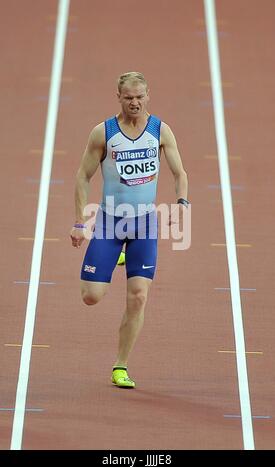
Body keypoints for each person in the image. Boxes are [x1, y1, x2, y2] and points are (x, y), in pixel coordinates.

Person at [70, 72, 189, 388]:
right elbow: (83, 176)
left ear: (148, 94)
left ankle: (120, 366)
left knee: (138, 296)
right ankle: (116, 255)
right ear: (119, 97)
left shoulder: (160, 131)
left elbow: (180, 172)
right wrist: (80, 222)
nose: (135, 103)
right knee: (91, 297)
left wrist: (182, 201)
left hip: (145, 223)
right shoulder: (104, 133)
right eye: (128, 98)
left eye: (140, 97)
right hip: (110, 222)